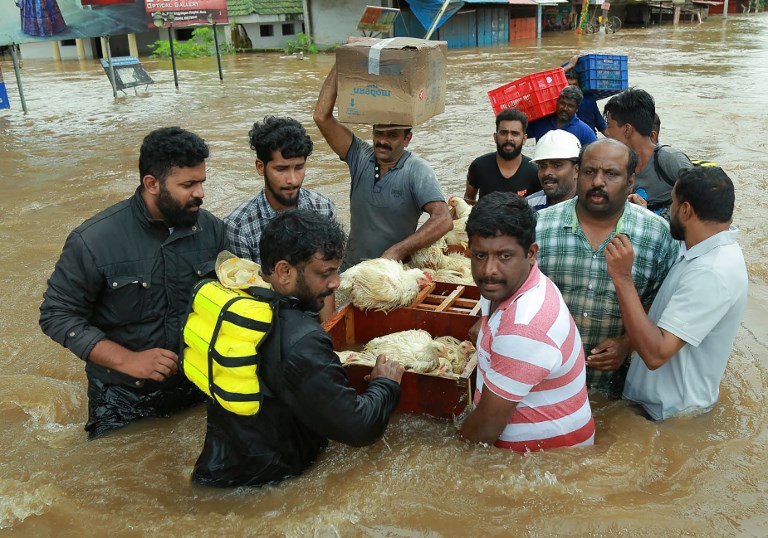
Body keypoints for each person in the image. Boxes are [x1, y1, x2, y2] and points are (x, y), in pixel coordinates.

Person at [39, 127, 229, 438]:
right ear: (151, 184)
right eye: (188, 184)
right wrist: (129, 360)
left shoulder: (212, 231)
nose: (200, 193)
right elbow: (57, 315)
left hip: (195, 384)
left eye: (202, 182)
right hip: (122, 398)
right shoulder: (93, 241)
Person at [192, 209, 404, 487]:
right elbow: (359, 427)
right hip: (268, 487)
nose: (335, 283)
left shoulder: (239, 294)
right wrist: (385, 386)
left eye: (336, 271)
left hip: (221, 469)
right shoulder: (300, 341)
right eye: (324, 273)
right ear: (283, 271)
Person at [535, 138, 678, 399]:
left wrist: (626, 344)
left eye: (611, 174)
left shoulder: (657, 236)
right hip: (545, 384)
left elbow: (660, 306)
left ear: (630, 182)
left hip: (617, 392)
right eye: (590, 172)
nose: (598, 182)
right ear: (578, 173)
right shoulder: (540, 228)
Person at [605, 167, 748, 420]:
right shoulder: (705, 248)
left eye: (672, 202)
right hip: (659, 407)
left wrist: (623, 279)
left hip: (665, 416)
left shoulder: (711, 272)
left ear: (685, 210)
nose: (670, 209)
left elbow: (656, 353)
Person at [459, 192, 595, 451]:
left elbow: (484, 430)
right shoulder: (508, 285)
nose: (489, 270)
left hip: (551, 465)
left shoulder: (525, 327)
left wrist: (453, 462)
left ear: (531, 253)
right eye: (479, 256)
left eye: (504, 256)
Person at [313, 63, 453, 271]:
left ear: (407, 139)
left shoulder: (417, 170)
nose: (382, 141)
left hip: (390, 275)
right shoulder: (360, 156)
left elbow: (443, 219)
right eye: (378, 133)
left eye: (392, 135)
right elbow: (321, 117)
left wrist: (398, 251)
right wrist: (341, 60)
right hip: (350, 269)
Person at [225, 116, 336, 266]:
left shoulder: (324, 208)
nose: (293, 180)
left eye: (299, 167)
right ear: (260, 167)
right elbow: (245, 284)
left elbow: (330, 268)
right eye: (281, 169)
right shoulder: (238, 227)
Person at [603, 88, 693, 217]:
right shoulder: (618, 165)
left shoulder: (670, 159)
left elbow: (703, 204)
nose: (607, 133)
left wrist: (649, 216)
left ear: (627, 129)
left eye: (610, 126)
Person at [463, 108, 541, 203]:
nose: (508, 138)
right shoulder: (478, 166)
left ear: (524, 139)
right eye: (504, 133)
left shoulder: (535, 172)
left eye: (514, 134)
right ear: (495, 137)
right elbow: (468, 199)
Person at [526, 129, 581, 211]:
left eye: (556, 165)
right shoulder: (528, 206)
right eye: (542, 166)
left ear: (576, 170)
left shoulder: (593, 207)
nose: (547, 172)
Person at [527, 85, 598, 148]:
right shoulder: (540, 122)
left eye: (570, 106)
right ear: (557, 102)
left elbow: (593, 158)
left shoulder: (585, 133)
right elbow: (520, 135)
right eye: (562, 103)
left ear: (577, 109)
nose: (565, 108)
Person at [562, 56, 608, 136]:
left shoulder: (589, 100)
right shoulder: (559, 104)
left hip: (589, 141)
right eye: (569, 85)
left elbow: (603, 127)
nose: (572, 88)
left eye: (575, 85)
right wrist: (569, 65)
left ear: (579, 85)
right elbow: (547, 80)